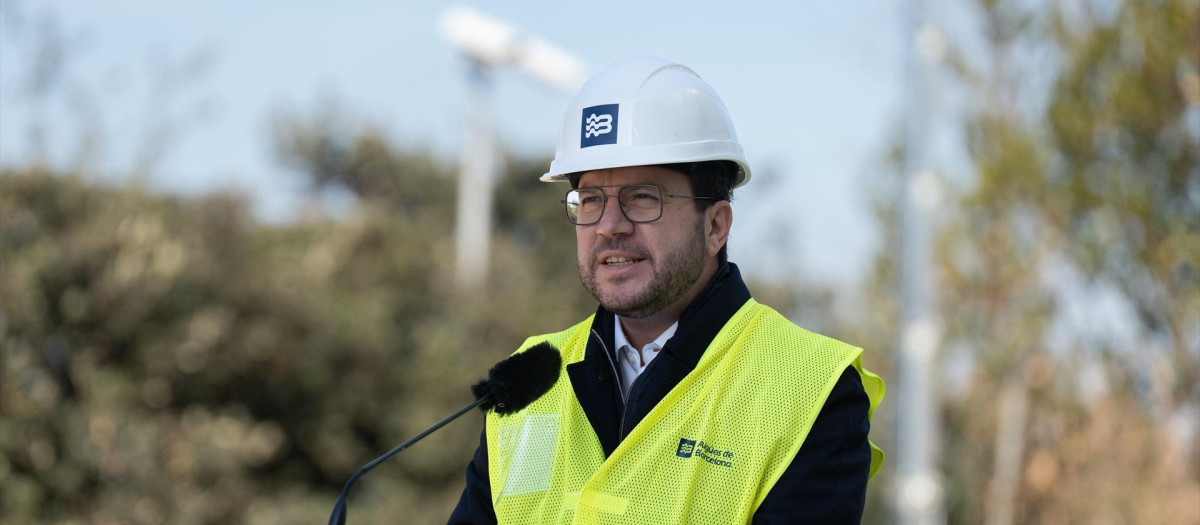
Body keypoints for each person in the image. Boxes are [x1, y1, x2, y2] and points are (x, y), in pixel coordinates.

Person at [449, 56, 884, 524]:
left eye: (642, 197)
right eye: (591, 199)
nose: (609, 227)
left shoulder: (809, 387)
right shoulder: (530, 381)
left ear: (715, 226)